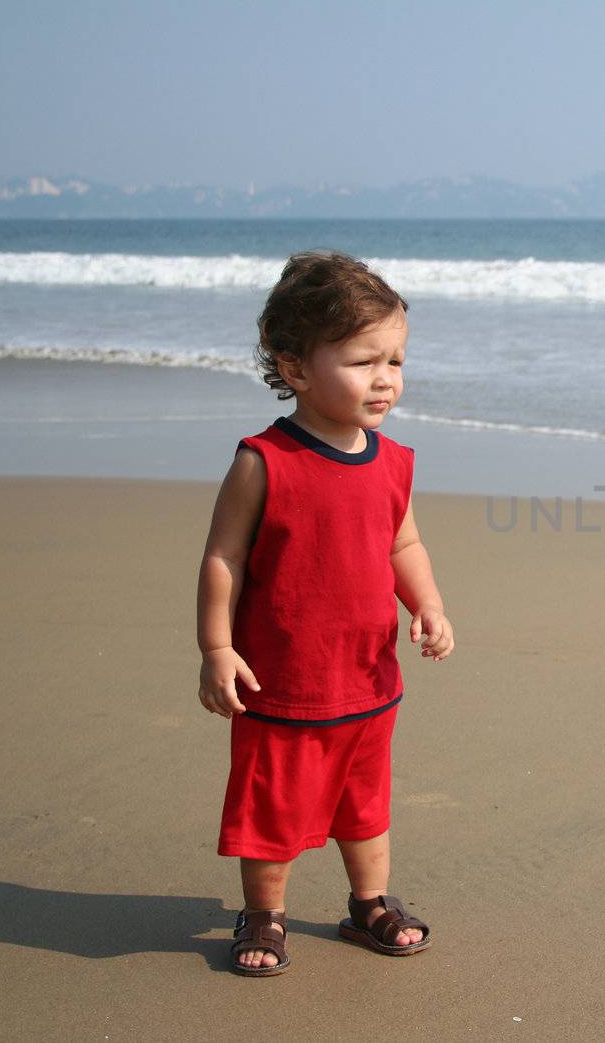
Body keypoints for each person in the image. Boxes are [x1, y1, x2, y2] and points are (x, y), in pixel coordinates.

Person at [196, 250, 455, 976]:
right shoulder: (264, 461)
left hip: (368, 679)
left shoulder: (394, 460)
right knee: (271, 811)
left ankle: (368, 902)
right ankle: (264, 913)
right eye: (364, 359)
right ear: (298, 367)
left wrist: (428, 604)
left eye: (396, 360)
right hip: (281, 682)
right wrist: (217, 648)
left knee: (366, 804)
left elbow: (403, 541)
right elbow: (224, 559)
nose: (386, 378)